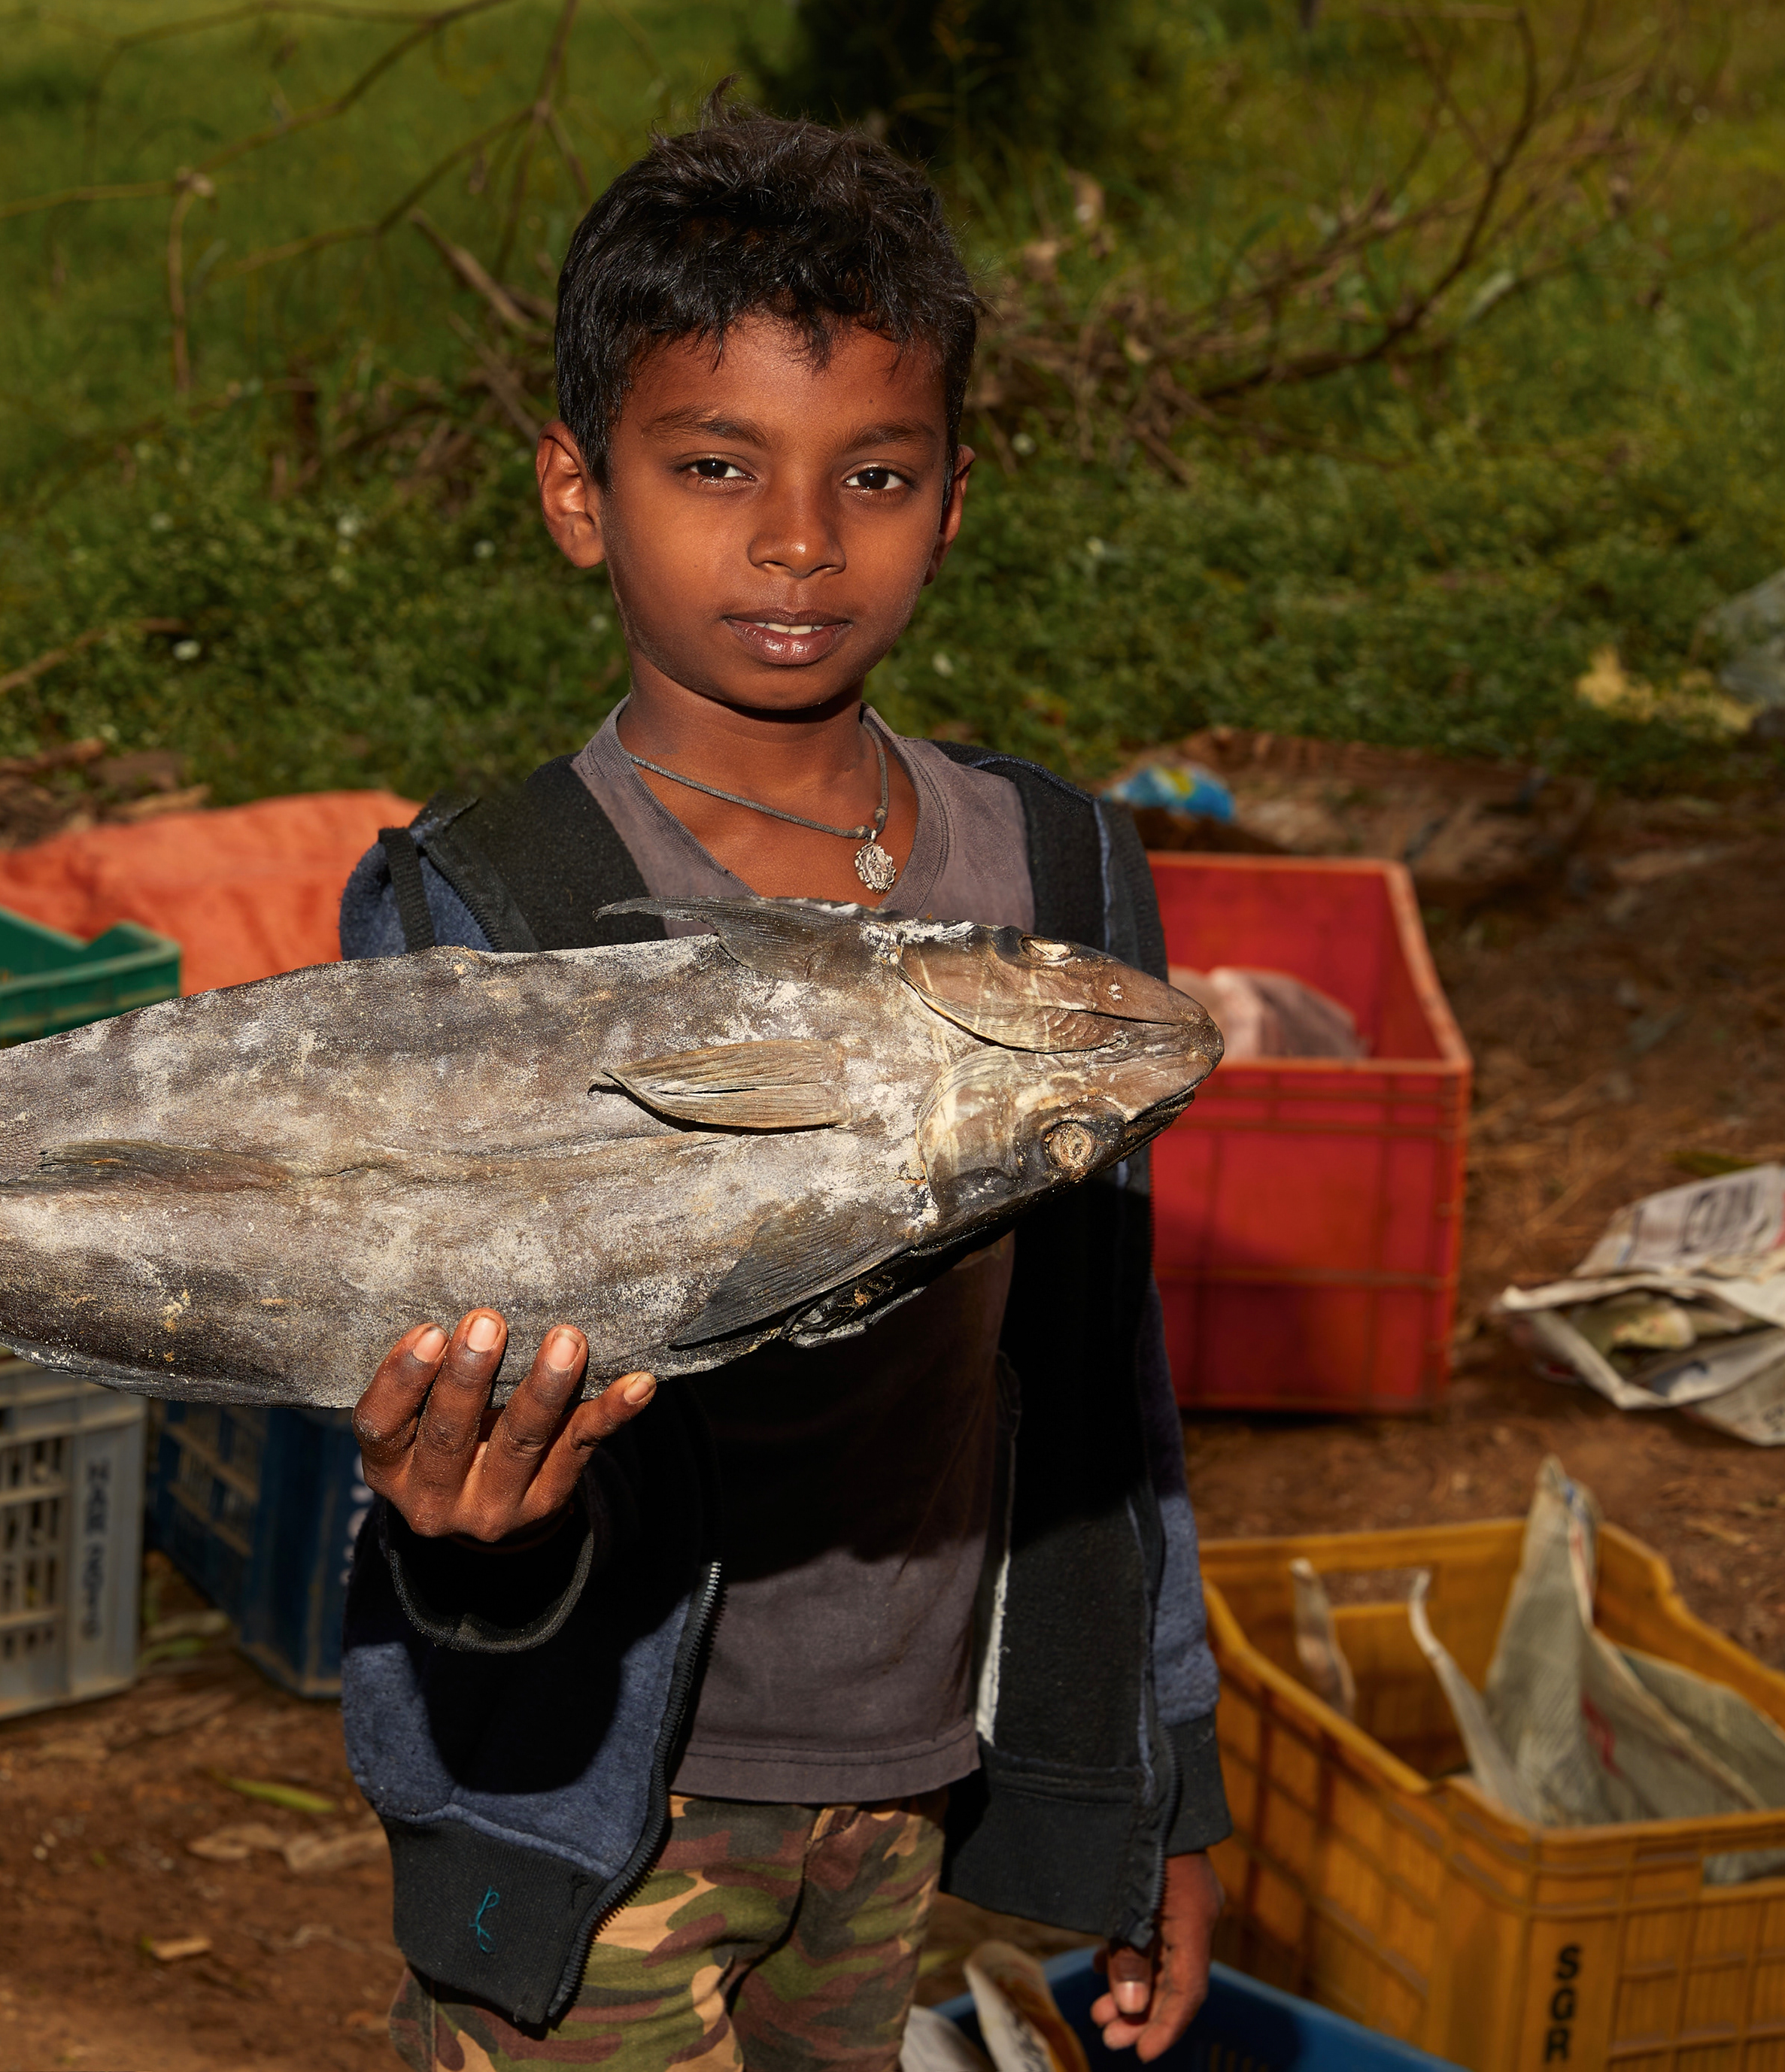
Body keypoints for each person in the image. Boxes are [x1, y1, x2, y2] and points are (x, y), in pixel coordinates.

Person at [332, 99, 1228, 2070]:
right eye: (715, 465)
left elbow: (1102, 1376)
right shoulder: (491, 909)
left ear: (956, 494)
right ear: (578, 489)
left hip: (900, 1782)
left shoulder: (1056, 882)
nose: (803, 541)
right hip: (587, 1799)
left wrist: (1161, 1777)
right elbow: (401, 1380)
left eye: (874, 473)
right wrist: (459, 1519)